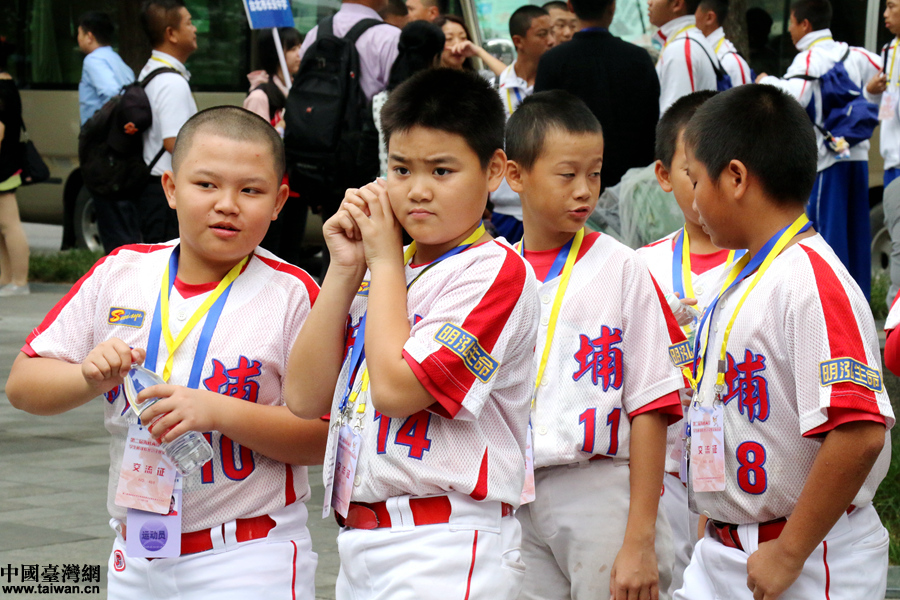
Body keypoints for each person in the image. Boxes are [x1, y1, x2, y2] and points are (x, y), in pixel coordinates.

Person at [6, 106, 330, 599]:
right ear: (171, 188)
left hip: (248, 555)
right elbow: (23, 386)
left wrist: (217, 411)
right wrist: (88, 378)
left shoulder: (294, 294)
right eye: (206, 185)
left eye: (251, 190)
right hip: (136, 551)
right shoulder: (121, 272)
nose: (227, 204)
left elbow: (325, 438)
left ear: (280, 200)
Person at [284, 68, 538, 600]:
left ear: (494, 170)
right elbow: (304, 398)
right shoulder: (385, 267)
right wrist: (346, 269)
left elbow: (398, 392)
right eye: (401, 169)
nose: (417, 190)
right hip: (363, 539)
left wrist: (380, 261)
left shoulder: (494, 270)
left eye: (442, 171)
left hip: (446, 540)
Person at [675, 83, 894, 600]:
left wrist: (790, 551)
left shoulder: (811, 280)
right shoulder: (738, 275)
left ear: (734, 178)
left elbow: (860, 431)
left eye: (696, 178)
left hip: (807, 554)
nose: (692, 198)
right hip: (724, 546)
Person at [506, 90, 681, 600]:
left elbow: (651, 402)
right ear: (515, 175)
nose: (585, 190)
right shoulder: (495, 270)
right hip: (516, 493)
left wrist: (640, 538)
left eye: (595, 173)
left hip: (600, 489)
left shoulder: (622, 267)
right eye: (567, 174)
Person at [636, 90, 728, 598]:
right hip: (666, 470)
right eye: (690, 172)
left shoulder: (770, 266)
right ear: (664, 175)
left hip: (741, 472)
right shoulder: (640, 268)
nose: (701, 186)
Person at [756, 0, 881, 299]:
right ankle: (859, 302)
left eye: (791, 23)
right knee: (857, 237)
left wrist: (764, 82)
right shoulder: (857, 55)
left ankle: (832, 301)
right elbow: (882, 74)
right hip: (857, 157)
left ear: (805, 25)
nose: (788, 31)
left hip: (827, 161)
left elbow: (791, 98)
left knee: (828, 238)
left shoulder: (807, 60)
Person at [535, 0, 660, 192]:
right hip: (635, 185)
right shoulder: (639, 58)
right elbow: (652, 123)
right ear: (612, 6)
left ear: (570, 6)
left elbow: (542, 127)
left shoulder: (552, 62)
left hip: (576, 183)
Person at [76, 12, 142, 255]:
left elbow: (111, 94)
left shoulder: (93, 60)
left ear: (89, 35)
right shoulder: (117, 60)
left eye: (80, 34)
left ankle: (118, 279)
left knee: (111, 223)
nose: (79, 39)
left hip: (103, 147)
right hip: (123, 148)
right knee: (125, 218)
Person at [490, 5, 554, 243]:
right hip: (508, 209)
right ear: (518, 41)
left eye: (552, 32)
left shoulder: (558, 84)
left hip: (552, 206)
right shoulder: (496, 90)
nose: (551, 40)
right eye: (542, 34)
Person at [137, 0, 199, 245]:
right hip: (164, 194)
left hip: (154, 188)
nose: (195, 29)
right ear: (171, 34)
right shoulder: (172, 83)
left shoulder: (151, 70)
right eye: (189, 23)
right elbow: (174, 142)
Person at [244, 26, 304, 264]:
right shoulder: (261, 96)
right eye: (292, 48)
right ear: (275, 52)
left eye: (300, 46)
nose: (300, 53)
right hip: (273, 187)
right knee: (271, 254)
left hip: (296, 186)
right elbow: (253, 146)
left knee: (291, 252)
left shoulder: (294, 91)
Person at [372, 21, 445, 177]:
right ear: (435, 58)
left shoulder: (380, 101)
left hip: (390, 191)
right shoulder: (443, 102)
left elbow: (366, 158)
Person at [298, 0, 401, 103]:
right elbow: (403, 100)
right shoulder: (390, 38)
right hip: (368, 117)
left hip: (316, 116)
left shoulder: (314, 34)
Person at [648, 0, 717, 114]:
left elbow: (678, 122)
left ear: (677, 4)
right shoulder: (688, 41)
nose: (649, 2)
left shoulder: (681, 49)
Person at [0, 40, 29, 297]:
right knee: (3, 226)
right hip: (7, 164)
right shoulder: (8, 85)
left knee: (9, 225)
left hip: (2, 169)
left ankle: (19, 282)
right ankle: (7, 278)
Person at [866, 0, 900, 190]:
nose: (885, 14)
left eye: (891, 6)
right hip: (891, 162)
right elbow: (886, 105)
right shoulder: (888, 50)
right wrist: (870, 93)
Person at [694, 0, 752, 85]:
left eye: (692, 12)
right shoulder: (693, 52)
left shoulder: (732, 63)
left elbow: (744, 98)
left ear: (709, 18)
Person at [435, 15, 507, 78]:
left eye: (463, 38)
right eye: (449, 38)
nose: (458, 44)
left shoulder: (479, 77)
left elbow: (510, 79)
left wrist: (479, 51)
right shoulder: (428, 82)